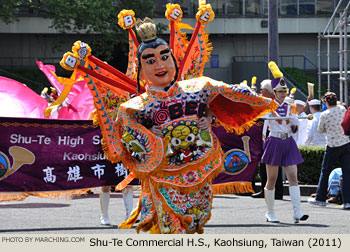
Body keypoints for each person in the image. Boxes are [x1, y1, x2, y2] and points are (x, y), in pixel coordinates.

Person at [108, 18, 278, 233]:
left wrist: (209, 118)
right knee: (171, 226)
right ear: (140, 70)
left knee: (195, 220)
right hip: (164, 173)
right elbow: (126, 135)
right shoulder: (134, 107)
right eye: (150, 61)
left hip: (199, 164)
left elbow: (226, 95)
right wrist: (148, 133)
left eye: (164, 57)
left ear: (174, 60)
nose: (160, 65)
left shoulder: (196, 88)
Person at [261, 62, 309, 223]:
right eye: (280, 91)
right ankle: (270, 212)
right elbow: (263, 125)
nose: (282, 93)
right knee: (272, 179)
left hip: (288, 142)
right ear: (274, 92)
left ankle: (297, 212)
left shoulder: (291, 106)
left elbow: (295, 126)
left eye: (284, 91)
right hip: (274, 141)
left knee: (293, 176)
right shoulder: (268, 106)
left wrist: (294, 125)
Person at [308, 92, 350, 210]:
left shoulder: (324, 114)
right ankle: (347, 201)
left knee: (325, 171)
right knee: (347, 173)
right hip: (346, 143)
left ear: (326, 103)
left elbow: (320, 130)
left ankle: (320, 199)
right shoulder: (342, 109)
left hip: (332, 145)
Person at [251, 79, 284, 200]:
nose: (260, 92)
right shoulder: (271, 101)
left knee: (268, 163)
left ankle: (271, 190)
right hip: (269, 133)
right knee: (270, 164)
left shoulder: (271, 102)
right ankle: (274, 191)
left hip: (271, 133)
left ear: (266, 91)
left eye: (261, 90)